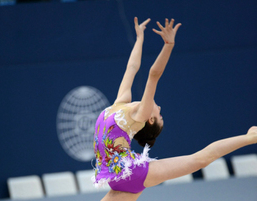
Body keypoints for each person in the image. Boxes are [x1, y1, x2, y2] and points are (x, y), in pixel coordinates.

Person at [92, 17, 257, 201]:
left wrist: (168, 45)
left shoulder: (140, 115)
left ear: (150, 119)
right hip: (119, 175)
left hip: (128, 173)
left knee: (199, 160)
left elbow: (153, 75)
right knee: (199, 160)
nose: (159, 107)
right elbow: (132, 67)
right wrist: (139, 39)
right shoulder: (121, 102)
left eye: (159, 114)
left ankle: (251, 137)